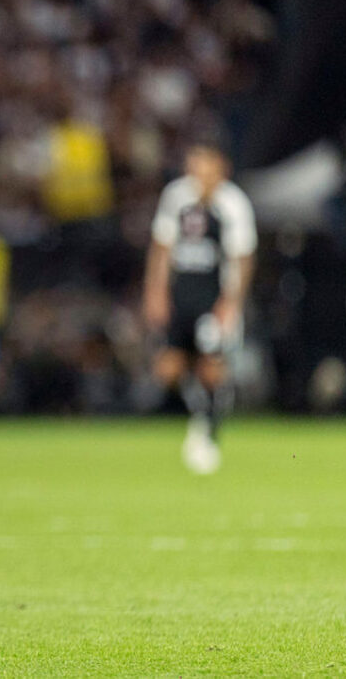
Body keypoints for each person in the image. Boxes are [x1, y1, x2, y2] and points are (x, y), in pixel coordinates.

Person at [143, 144, 257, 474]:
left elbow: (242, 258)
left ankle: (209, 428)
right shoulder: (176, 197)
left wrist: (231, 302)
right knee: (168, 370)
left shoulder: (233, 205)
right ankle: (201, 414)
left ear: (221, 168)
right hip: (182, 295)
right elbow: (162, 247)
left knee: (211, 367)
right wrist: (156, 291)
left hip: (214, 296)